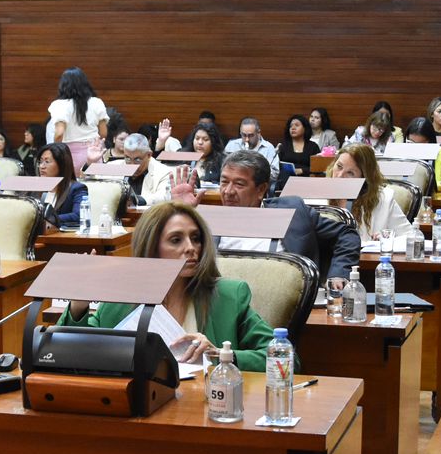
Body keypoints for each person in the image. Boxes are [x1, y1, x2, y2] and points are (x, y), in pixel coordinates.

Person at [61, 201, 275, 370]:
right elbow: (75, 353)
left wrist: (220, 355)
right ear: (151, 248)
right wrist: (78, 304)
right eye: (176, 240)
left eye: (196, 238)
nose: (191, 248)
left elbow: (279, 354)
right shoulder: (120, 300)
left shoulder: (228, 296)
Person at [171, 149, 360, 281]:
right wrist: (181, 214)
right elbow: (173, 255)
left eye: (239, 184)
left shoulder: (291, 210)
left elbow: (347, 234)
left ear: (261, 189)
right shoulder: (205, 220)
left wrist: (339, 274)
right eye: (224, 182)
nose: (228, 191)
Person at [329, 144, 415, 244]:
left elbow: (411, 238)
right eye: (339, 166)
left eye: (350, 173)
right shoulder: (317, 193)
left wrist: (388, 239)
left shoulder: (383, 200)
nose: (340, 176)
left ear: (364, 178)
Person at [47, 68, 109, 145]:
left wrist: (56, 149)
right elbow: (103, 133)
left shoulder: (59, 104)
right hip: (93, 149)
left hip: (69, 149)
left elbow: (59, 134)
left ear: (63, 85)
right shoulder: (97, 102)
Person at [32, 142, 88, 226]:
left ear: (62, 164)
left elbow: (78, 215)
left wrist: (49, 219)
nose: (41, 166)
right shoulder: (35, 188)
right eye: (40, 162)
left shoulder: (77, 189)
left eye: (47, 162)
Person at [120, 133, 174, 205]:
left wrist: (137, 200)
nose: (132, 165)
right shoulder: (115, 167)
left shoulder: (164, 172)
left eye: (137, 160)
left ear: (149, 155)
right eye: (128, 159)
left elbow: (164, 196)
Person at [404, 116, 441, 187]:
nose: (415, 149)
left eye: (420, 145)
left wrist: (429, 187)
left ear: (430, 142)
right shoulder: (399, 152)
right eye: (411, 143)